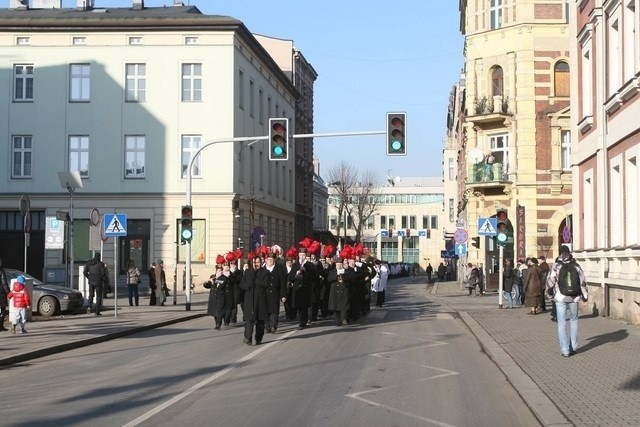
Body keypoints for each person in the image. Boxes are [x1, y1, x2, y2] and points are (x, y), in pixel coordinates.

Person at [546, 245, 589, 357]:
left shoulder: (556, 266)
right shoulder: (576, 266)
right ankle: (573, 347)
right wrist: (585, 297)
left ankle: (565, 350)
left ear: (560, 253)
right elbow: (583, 282)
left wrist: (550, 294)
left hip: (560, 298)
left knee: (561, 324)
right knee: (574, 322)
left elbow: (550, 281)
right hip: (574, 298)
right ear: (569, 253)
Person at [239, 256, 267, 345]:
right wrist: (249, 284)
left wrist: (256, 280)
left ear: (261, 263)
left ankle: (258, 338)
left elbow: (266, 284)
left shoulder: (265, 272)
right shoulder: (248, 272)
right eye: (255, 263)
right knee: (249, 321)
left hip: (260, 300)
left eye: (258, 262)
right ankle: (248, 337)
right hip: (249, 300)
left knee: (260, 321)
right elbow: (242, 284)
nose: (256, 264)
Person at [262, 251, 286, 334]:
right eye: (268, 259)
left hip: (275, 294)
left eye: (271, 259)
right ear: (265, 260)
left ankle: (273, 326)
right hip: (264, 294)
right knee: (265, 311)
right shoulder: (262, 269)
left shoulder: (279, 269)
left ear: (274, 260)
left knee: (274, 311)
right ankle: (267, 326)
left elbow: (283, 284)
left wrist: (283, 295)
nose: (270, 261)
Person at [0, 257, 10, 331]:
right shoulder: (1, 270)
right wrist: (8, 292)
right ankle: (0, 326)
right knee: (2, 310)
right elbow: (4, 283)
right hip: (1, 293)